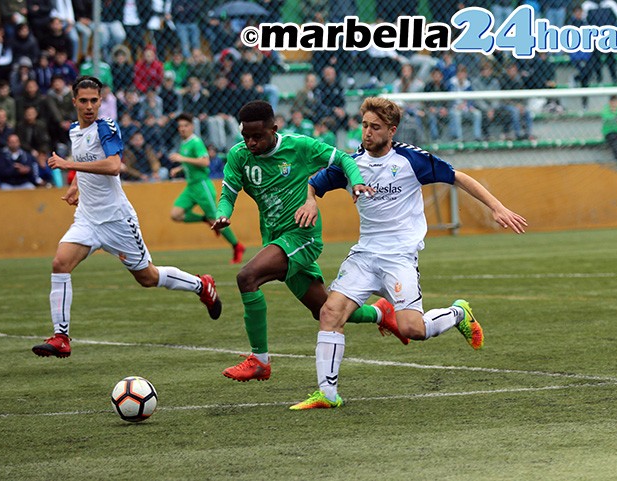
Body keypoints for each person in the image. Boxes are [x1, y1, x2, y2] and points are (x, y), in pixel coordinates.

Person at [290, 97, 527, 409]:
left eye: (375, 127)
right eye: (364, 126)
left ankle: (457, 314)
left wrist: (497, 207)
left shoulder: (410, 160)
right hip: (364, 256)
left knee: (412, 330)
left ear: (392, 130)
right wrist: (310, 200)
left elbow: (457, 177)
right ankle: (327, 395)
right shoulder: (351, 164)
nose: (367, 133)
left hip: (399, 257)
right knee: (330, 313)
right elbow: (314, 184)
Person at [210, 100, 408, 382]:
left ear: (273, 129)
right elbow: (228, 193)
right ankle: (380, 313)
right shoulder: (239, 156)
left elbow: (343, 158)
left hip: (302, 236)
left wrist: (355, 182)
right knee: (325, 310)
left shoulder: (299, 147)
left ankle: (260, 360)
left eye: (258, 136)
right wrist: (222, 215)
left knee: (247, 278)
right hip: (276, 239)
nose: (251, 143)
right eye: (246, 137)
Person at [31, 76, 222, 359]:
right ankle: (61, 337)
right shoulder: (74, 130)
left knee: (147, 277)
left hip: (117, 220)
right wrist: (75, 186)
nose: (88, 106)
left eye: (94, 101)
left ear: (101, 101)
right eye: (83, 101)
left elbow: (113, 165)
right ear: (74, 102)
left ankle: (201, 285)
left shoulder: (106, 128)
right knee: (60, 263)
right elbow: (85, 164)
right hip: (87, 218)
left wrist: (67, 165)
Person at [169, 113, 246, 264]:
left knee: (217, 220)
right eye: (180, 127)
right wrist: (179, 168)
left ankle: (237, 246)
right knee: (175, 214)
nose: (182, 129)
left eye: (185, 126)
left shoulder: (196, 142)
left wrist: (182, 159)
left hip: (202, 186)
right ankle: (205, 219)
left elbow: (205, 162)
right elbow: (192, 162)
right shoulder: (184, 143)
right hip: (191, 187)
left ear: (191, 127)